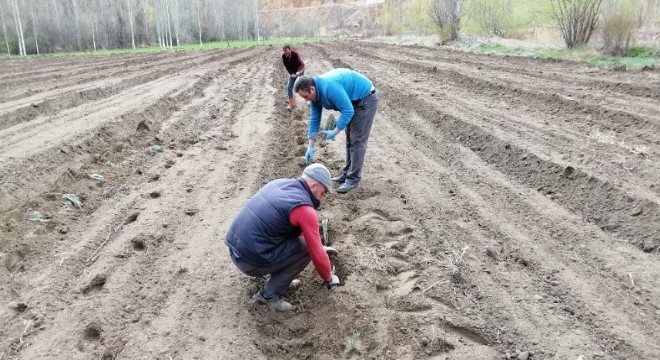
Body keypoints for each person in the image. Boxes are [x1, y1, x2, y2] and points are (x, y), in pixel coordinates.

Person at [225, 163, 340, 312]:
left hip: (237, 249)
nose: (322, 198)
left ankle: (278, 281)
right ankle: (268, 296)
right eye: (323, 193)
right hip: (250, 261)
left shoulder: (279, 184)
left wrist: (319, 248)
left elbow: (291, 231)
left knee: (299, 242)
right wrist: (329, 279)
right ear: (313, 186)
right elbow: (315, 252)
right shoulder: (304, 209)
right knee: (306, 249)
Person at [294, 68, 379, 193]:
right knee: (350, 140)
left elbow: (348, 110)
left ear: (312, 89)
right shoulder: (315, 97)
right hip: (352, 100)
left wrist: (335, 131)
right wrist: (310, 146)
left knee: (357, 141)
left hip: (365, 99)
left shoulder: (329, 87)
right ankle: (346, 174)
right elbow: (314, 120)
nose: (306, 100)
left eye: (306, 96)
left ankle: (353, 179)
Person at [282, 45, 305, 110]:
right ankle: (290, 103)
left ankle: (307, 101)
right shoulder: (284, 56)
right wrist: (291, 74)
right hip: (293, 73)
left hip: (300, 71)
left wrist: (298, 72)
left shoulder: (295, 54)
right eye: (285, 52)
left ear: (290, 50)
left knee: (301, 86)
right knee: (289, 87)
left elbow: (302, 64)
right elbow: (287, 67)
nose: (286, 54)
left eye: (287, 52)